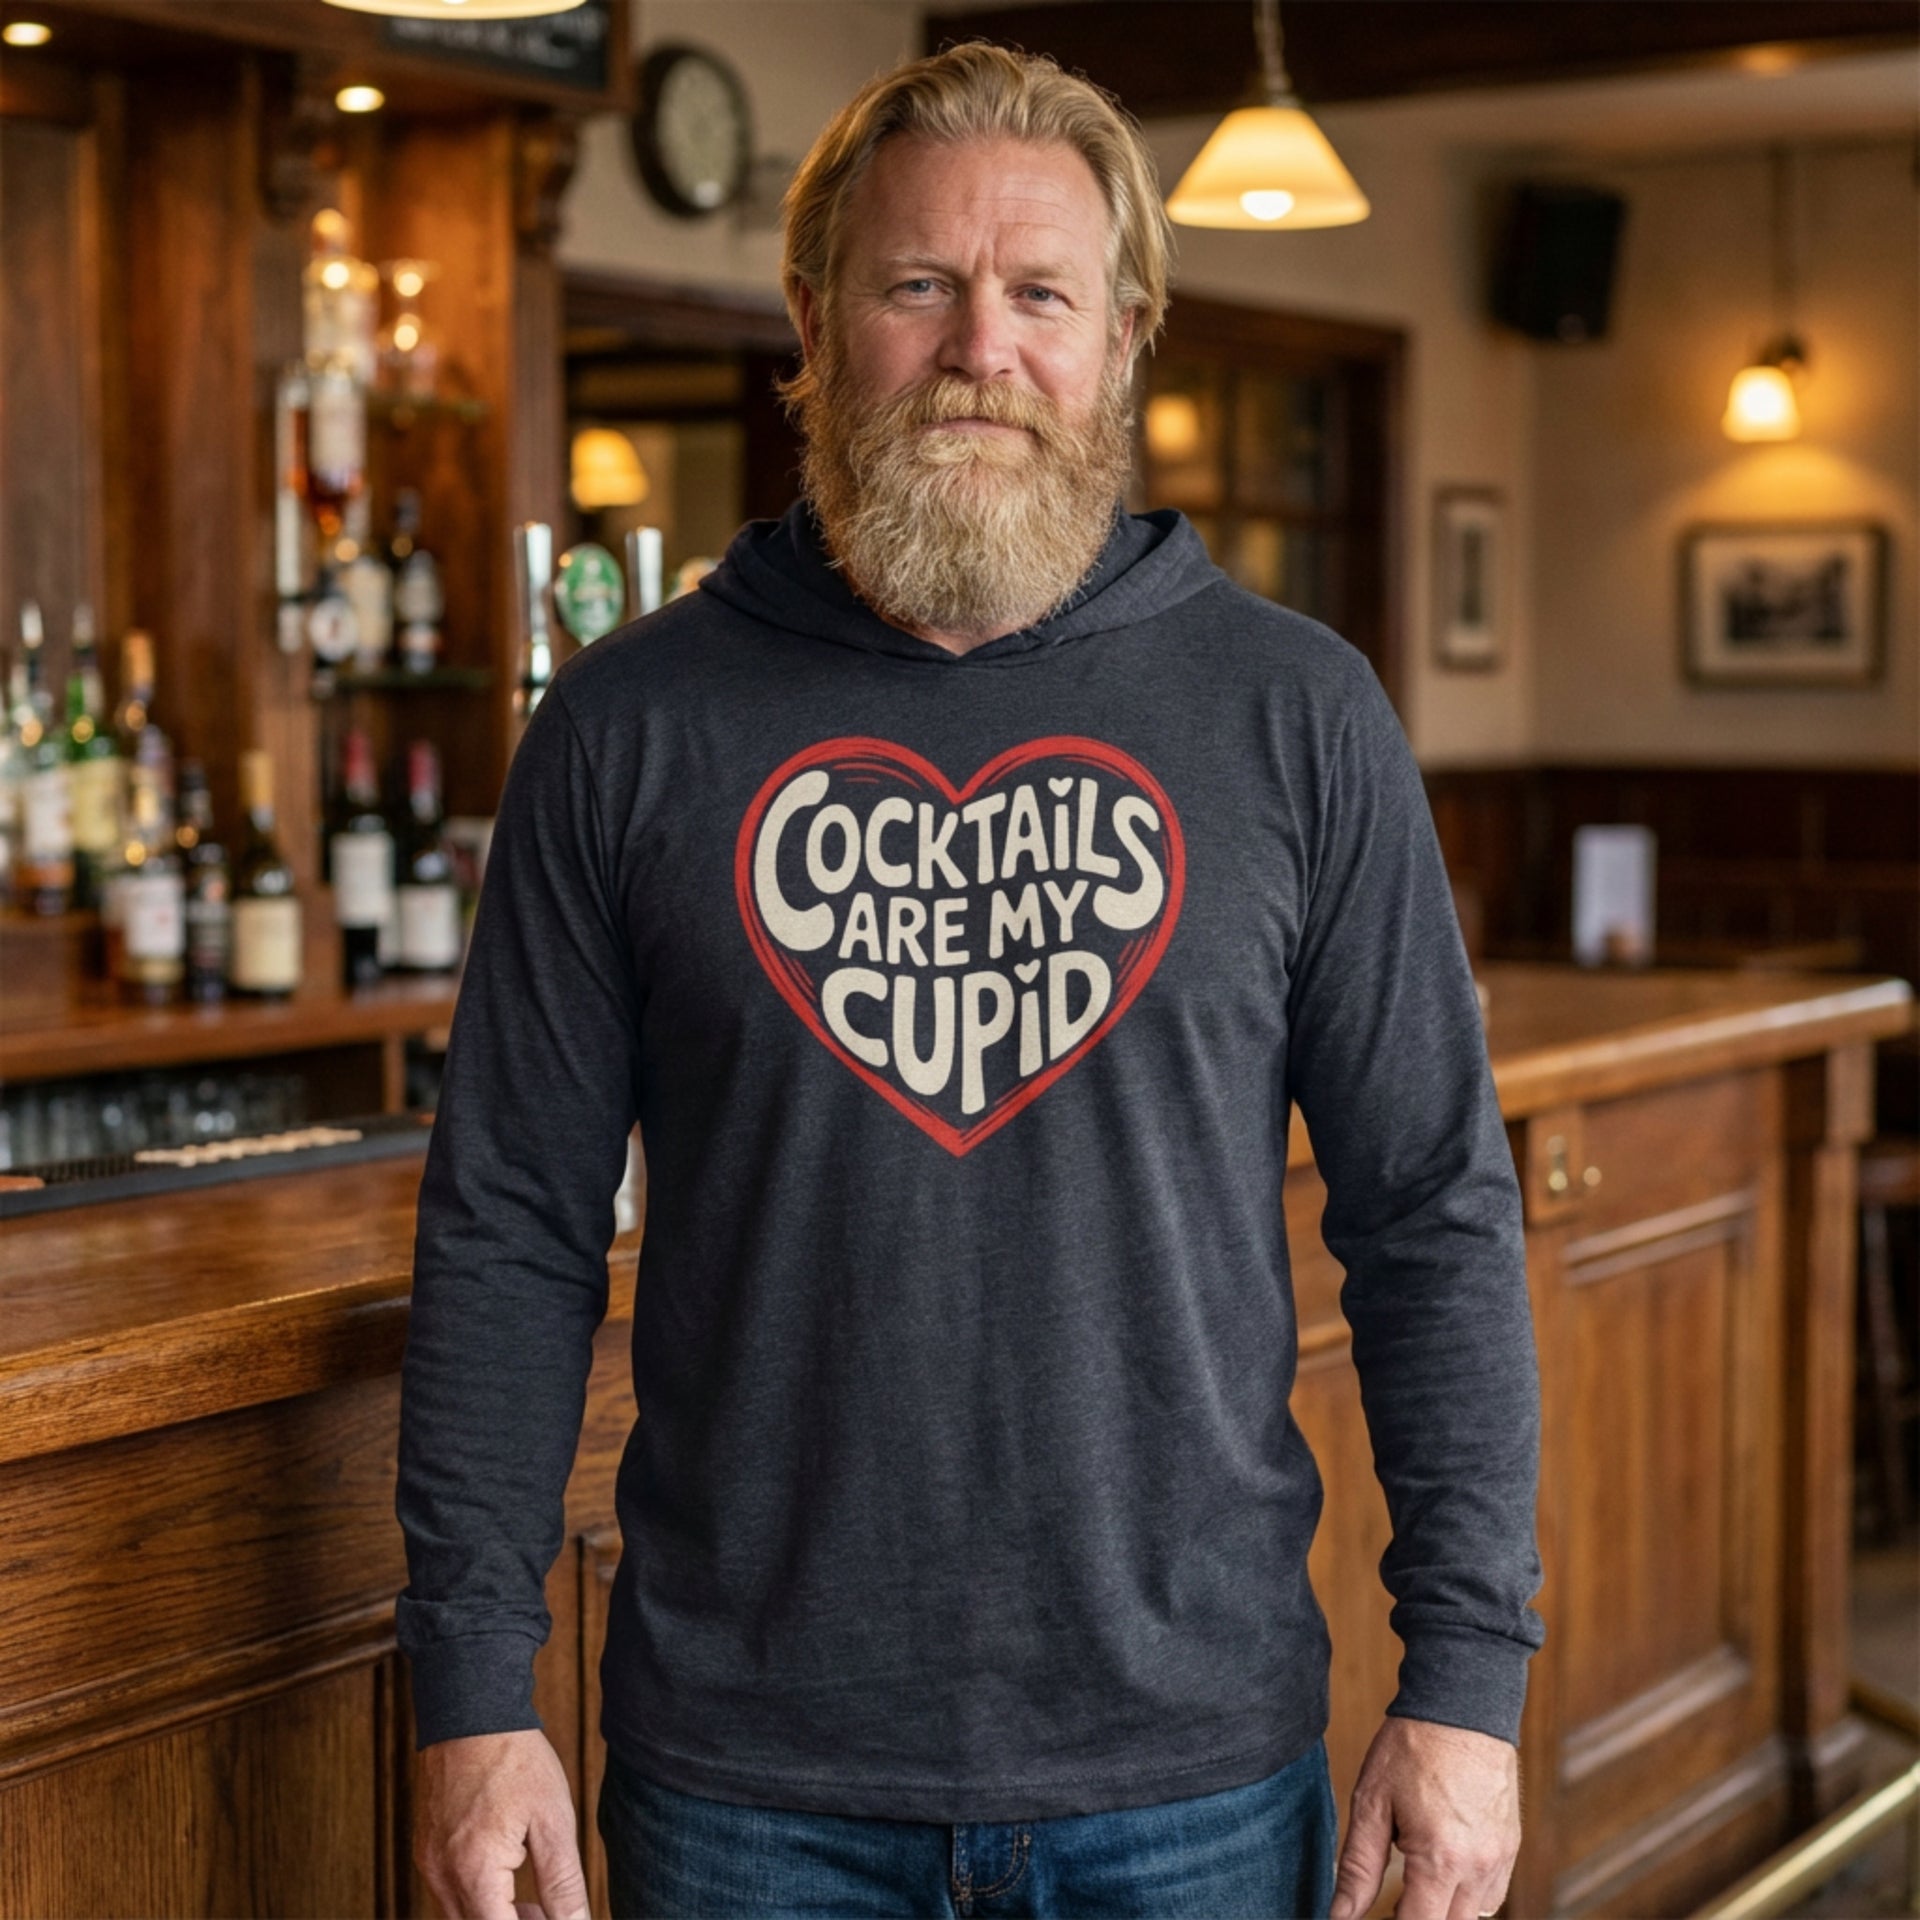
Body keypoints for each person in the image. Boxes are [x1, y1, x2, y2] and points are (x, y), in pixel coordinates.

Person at [396, 41, 1544, 1920]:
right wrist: (469, 1684)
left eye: (1038, 295)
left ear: (1124, 333)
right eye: (918, 285)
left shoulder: (1299, 716)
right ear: (817, 316)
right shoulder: (623, 730)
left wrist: (1471, 1688)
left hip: (1192, 1767)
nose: (976, 350)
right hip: (742, 1783)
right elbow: (509, 1225)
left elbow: (1432, 1216)